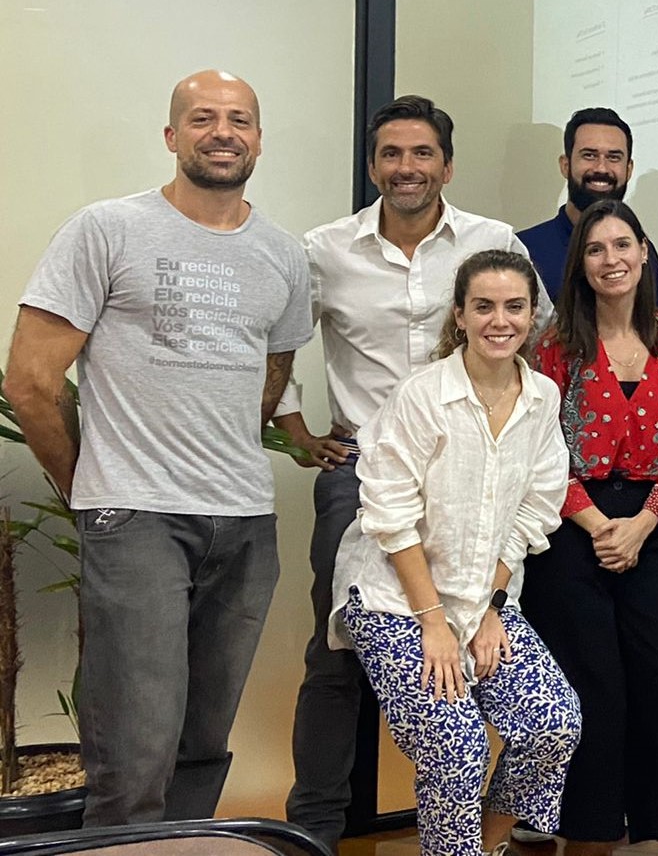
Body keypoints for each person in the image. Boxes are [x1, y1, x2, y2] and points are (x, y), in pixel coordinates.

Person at [3, 70, 312, 825]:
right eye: (203, 117)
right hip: (136, 515)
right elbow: (31, 381)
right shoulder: (107, 230)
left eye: (239, 119)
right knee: (135, 748)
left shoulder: (282, 254)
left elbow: (273, 371)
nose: (223, 132)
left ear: (259, 140)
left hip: (245, 520)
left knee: (203, 740)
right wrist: (91, 486)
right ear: (172, 136)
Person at [274, 96, 543, 849]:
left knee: (476, 634)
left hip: (471, 478)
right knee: (336, 654)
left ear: (446, 166)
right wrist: (296, 429)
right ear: (373, 166)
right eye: (391, 153)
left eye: (422, 153)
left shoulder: (493, 241)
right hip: (363, 473)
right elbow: (280, 337)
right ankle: (314, 829)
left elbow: (533, 334)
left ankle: (472, 823)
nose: (406, 167)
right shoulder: (327, 248)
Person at [330, 249, 580, 856]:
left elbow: (533, 512)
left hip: (482, 598)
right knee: (456, 746)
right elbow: (390, 517)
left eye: (514, 307)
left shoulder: (542, 397)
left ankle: (484, 848)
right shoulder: (422, 396)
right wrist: (434, 622)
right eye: (484, 306)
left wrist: (491, 606)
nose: (501, 320)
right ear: (460, 316)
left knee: (552, 724)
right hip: (395, 600)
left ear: (532, 315)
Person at [521, 199, 658, 855]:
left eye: (622, 244)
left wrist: (639, 527)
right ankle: (589, 836)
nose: (611, 259)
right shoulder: (552, 347)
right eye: (596, 249)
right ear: (580, 264)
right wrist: (603, 525)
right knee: (591, 698)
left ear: (644, 250)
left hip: (651, 530)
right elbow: (541, 451)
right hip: (572, 531)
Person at [517, 107, 658, 306]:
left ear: (629, 169)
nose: (601, 168)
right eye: (589, 155)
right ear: (565, 165)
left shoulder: (636, 253)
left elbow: (652, 322)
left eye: (614, 157)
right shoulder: (524, 251)